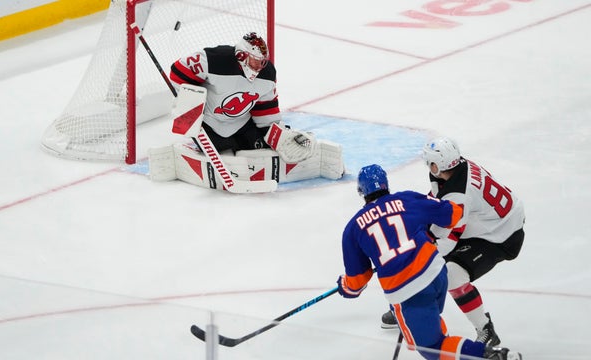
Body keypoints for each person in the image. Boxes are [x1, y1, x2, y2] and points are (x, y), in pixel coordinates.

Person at [337, 164, 522, 360]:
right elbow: (453, 214)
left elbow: (356, 283)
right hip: (437, 274)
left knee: (432, 347)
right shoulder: (407, 198)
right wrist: (419, 225)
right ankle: (417, 323)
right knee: (430, 322)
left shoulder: (353, 228)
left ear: (361, 191)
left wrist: (344, 286)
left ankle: (492, 356)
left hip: (408, 292)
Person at [380, 137, 525, 348]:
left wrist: (417, 251)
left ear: (439, 164)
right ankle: (407, 305)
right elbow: (437, 203)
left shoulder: (459, 195)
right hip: (486, 220)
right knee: (426, 246)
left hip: (501, 235)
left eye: (430, 162)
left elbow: (447, 241)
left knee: (452, 274)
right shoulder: (454, 168)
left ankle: (485, 329)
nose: (428, 166)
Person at [169, 31, 314, 163]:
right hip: (209, 124)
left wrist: (276, 134)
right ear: (241, 55)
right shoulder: (215, 60)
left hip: (242, 123)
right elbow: (177, 72)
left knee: (259, 148)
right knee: (226, 152)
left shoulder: (267, 74)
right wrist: (191, 102)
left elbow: (266, 109)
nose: (259, 67)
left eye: (262, 62)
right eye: (255, 61)